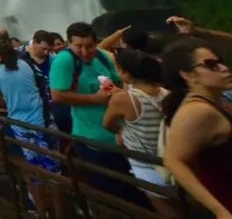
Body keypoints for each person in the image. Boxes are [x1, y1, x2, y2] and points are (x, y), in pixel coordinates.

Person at [49, 21, 146, 207]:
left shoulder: (102, 57)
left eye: (90, 46)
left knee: (131, 189)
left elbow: (121, 80)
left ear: (96, 42)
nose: (85, 52)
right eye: (79, 46)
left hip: (122, 137)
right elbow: (58, 95)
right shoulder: (65, 60)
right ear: (69, 43)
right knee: (112, 193)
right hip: (92, 139)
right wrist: (96, 99)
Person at [0, 41, 61, 219]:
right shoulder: (26, 65)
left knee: (33, 172)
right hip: (44, 120)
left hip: (22, 127)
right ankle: (60, 212)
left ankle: (41, 212)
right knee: (53, 171)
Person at [160, 39, 232, 218]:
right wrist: (220, 211)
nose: (223, 68)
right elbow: (173, 161)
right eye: (211, 65)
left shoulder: (218, 101)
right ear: (188, 75)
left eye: (220, 62)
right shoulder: (197, 112)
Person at [102, 49, 176, 217]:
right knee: (180, 206)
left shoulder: (123, 99)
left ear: (125, 72)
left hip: (147, 167)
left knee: (167, 211)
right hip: (172, 162)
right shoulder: (166, 93)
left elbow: (107, 124)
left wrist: (120, 131)